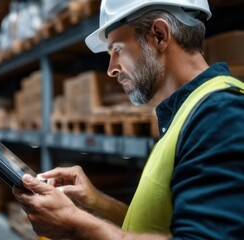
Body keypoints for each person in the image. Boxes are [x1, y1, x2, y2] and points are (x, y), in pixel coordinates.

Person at [13, 0, 244, 239]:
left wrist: (76, 225)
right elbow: (161, 227)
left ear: (159, 36)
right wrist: (96, 202)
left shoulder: (219, 114)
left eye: (117, 49)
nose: (111, 69)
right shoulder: (189, 111)